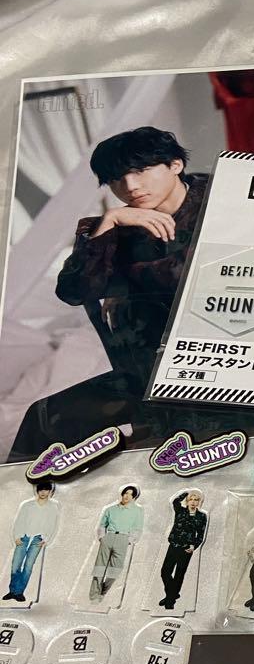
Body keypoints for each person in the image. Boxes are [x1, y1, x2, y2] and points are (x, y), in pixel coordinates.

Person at [12, 127, 206, 461]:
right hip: (145, 376)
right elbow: (72, 291)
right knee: (43, 419)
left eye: (140, 171)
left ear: (175, 164)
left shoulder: (222, 200)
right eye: (116, 179)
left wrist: (124, 284)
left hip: (219, 369)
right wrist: (110, 220)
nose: (130, 187)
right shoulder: (119, 222)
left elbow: (193, 275)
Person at [5, 481, 60, 602]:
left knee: (28, 567)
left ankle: (19, 592)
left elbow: (54, 525)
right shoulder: (27, 505)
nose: (43, 492)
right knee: (15, 565)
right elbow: (19, 520)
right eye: (41, 490)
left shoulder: (53, 507)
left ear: (50, 491)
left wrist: (46, 539)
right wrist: (17, 536)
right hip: (23, 537)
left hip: (38, 539)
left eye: (46, 490)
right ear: (37, 491)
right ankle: (12, 591)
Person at [90, 484, 144, 601]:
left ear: (134, 497)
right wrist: (102, 537)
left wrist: (129, 540)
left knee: (115, 570)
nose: (127, 496)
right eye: (126, 493)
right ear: (122, 494)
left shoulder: (137, 511)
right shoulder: (110, 509)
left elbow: (138, 528)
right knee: (99, 568)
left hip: (123, 539)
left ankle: (103, 592)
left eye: (130, 494)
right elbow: (102, 525)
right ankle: (94, 595)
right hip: (108, 537)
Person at [158, 489, 207, 611]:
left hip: (186, 549)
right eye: (191, 499)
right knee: (165, 572)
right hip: (174, 545)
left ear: (199, 502)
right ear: (187, 501)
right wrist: (187, 493)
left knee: (179, 575)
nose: (193, 502)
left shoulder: (202, 516)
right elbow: (175, 501)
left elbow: (200, 534)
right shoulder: (180, 511)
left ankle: (170, 600)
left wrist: (194, 546)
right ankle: (172, 594)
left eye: (196, 500)